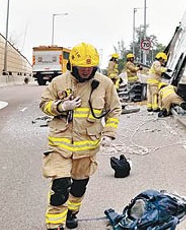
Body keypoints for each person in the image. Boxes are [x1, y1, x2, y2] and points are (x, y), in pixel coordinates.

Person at [40, 42, 121, 230]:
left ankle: (71, 212)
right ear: (73, 66)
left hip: (87, 147)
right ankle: (55, 225)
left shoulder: (104, 84)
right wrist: (60, 107)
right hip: (61, 146)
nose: (86, 71)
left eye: (90, 67)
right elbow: (44, 104)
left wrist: (109, 133)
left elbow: (114, 110)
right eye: (82, 68)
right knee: (60, 187)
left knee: (78, 186)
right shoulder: (59, 83)